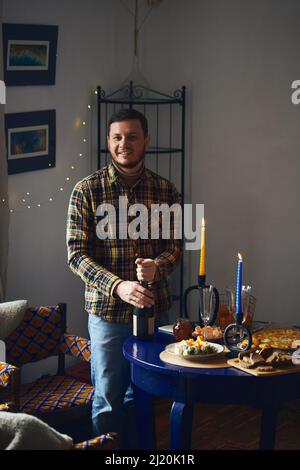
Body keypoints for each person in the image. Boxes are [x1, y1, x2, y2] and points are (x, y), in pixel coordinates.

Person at [66, 108, 182, 448]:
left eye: (132, 137)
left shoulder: (166, 190)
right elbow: (76, 255)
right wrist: (119, 286)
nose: (124, 144)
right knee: (108, 397)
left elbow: (175, 247)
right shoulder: (86, 191)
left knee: (145, 394)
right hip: (107, 316)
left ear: (147, 140)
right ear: (108, 142)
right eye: (117, 137)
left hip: (154, 312)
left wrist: (158, 266)